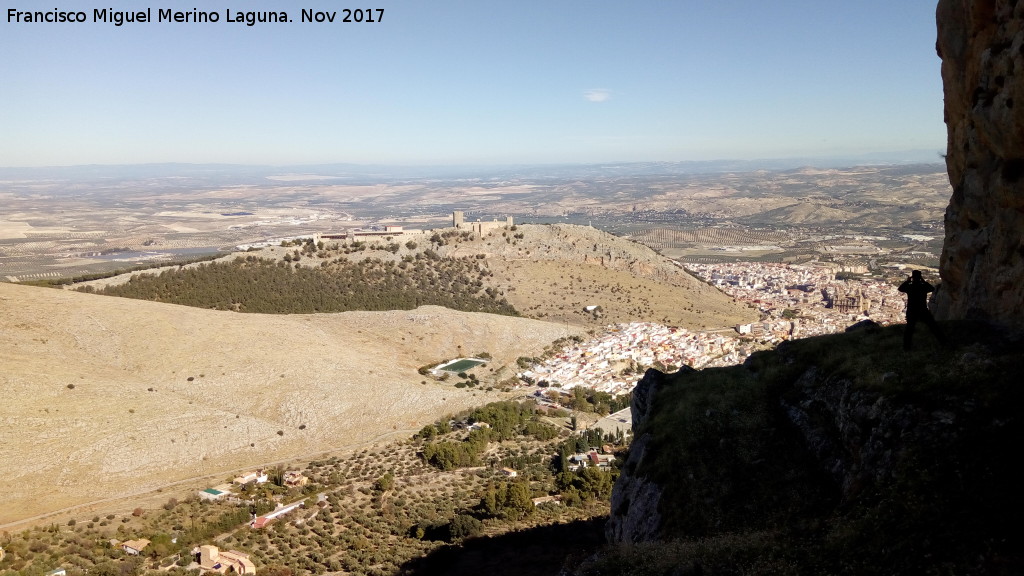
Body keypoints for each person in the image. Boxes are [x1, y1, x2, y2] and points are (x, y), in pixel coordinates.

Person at [898, 270, 946, 350]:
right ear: (920, 277)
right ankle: (943, 342)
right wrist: (923, 281)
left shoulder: (910, 287)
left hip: (912, 310)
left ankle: (906, 348)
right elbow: (932, 288)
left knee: (909, 329)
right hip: (923, 309)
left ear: (912, 277)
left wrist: (907, 281)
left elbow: (900, 288)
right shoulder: (923, 286)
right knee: (933, 326)